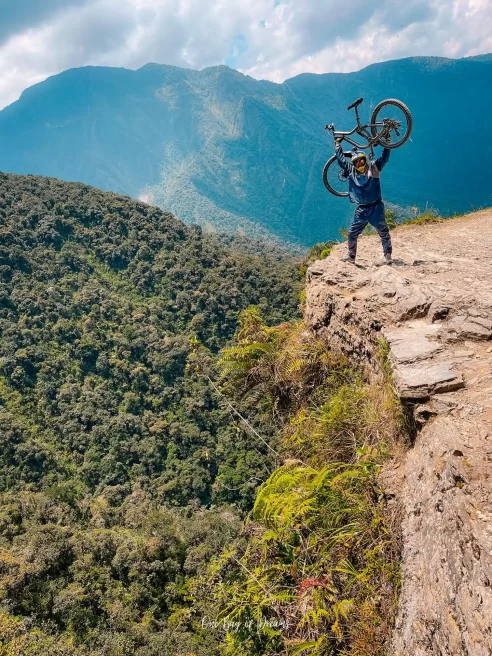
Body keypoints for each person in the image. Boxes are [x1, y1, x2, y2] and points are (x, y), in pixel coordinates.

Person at [335, 138, 392, 265]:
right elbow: (341, 161)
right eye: (357, 162)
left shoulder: (374, 168)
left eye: (362, 160)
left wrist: (387, 144)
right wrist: (338, 145)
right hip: (362, 209)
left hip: (376, 207)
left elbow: (384, 158)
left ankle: (388, 255)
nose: (360, 163)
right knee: (352, 233)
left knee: (383, 231)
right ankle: (351, 255)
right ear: (354, 163)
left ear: (365, 160)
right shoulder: (351, 171)